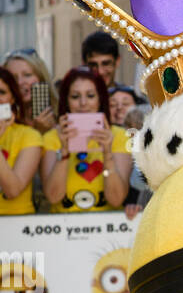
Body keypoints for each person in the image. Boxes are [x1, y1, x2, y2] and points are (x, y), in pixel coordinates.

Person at [41, 66, 131, 213]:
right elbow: (53, 196)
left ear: (100, 99)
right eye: (75, 96)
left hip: (107, 230)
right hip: (63, 230)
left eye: (90, 95)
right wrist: (63, 152)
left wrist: (107, 155)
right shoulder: (51, 137)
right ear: (66, 101)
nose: (83, 103)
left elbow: (116, 199)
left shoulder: (119, 136)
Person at [0, 67, 43, 215]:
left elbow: (13, 190)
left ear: (12, 98)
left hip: (17, 226)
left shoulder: (29, 136)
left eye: (2, 92)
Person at [3, 49, 57, 135]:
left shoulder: (61, 116)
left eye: (27, 75)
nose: (20, 82)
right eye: (13, 77)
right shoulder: (4, 121)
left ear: (41, 78)